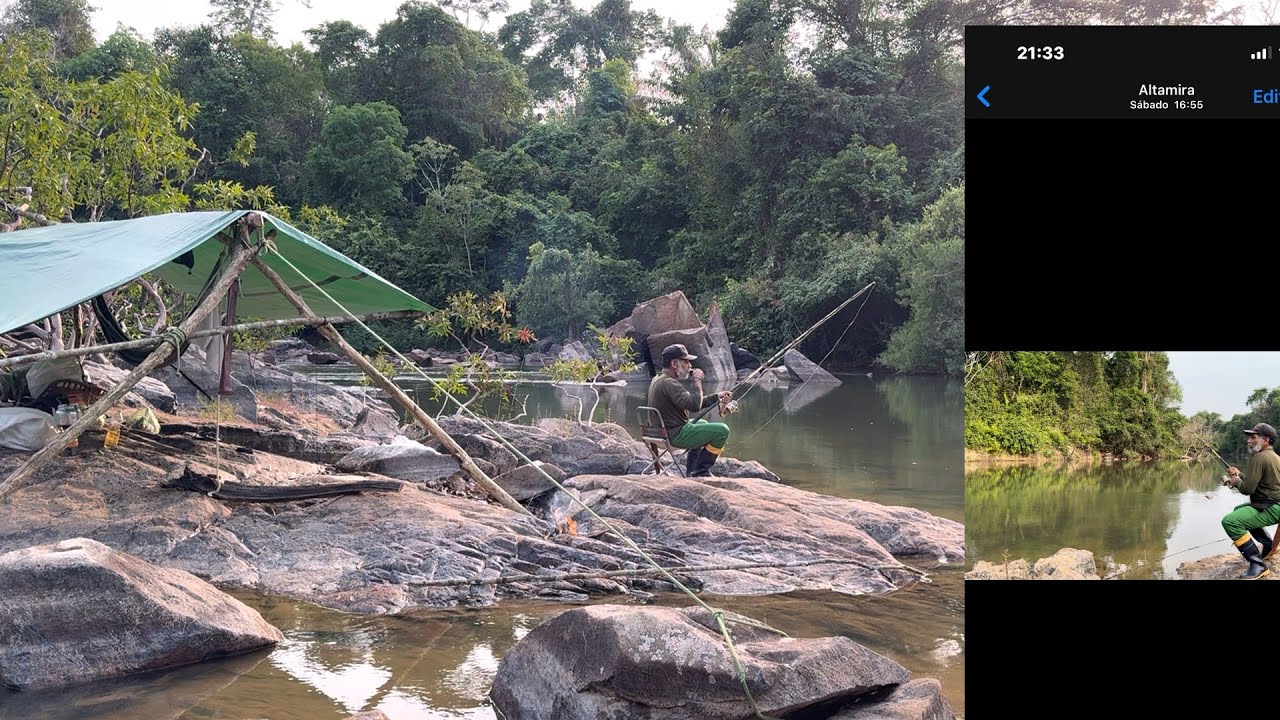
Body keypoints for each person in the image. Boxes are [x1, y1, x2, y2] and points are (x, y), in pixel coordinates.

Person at [647, 344, 733, 477]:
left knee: (702, 424)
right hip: (674, 435)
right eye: (686, 361)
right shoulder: (670, 383)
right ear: (674, 364)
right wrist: (697, 380)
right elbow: (694, 406)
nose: (690, 365)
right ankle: (701, 471)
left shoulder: (659, 379)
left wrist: (717, 397)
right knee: (722, 430)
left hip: (661, 432)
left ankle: (691, 471)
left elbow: (692, 402)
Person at [1221, 422, 1280, 579]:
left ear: (1265, 440)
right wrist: (1239, 474)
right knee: (1238, 511)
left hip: (1271, 508)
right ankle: (1268, 546)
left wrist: (1234, 482)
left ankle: (1258, 565)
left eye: (1253, 437)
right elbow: (1257, 483)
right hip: (1274, 505)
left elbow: (1247, 489)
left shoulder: (1259, 457)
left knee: (1230, 521)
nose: (1249, 441)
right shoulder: (1275, 457)